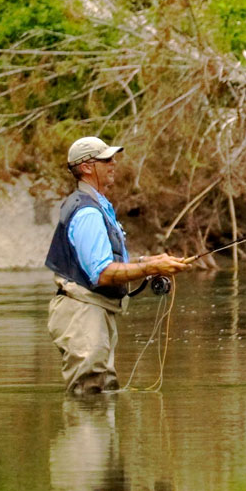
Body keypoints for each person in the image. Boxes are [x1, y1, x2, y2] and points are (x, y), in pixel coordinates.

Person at [45, 136, 193, 395]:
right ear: (87, 167)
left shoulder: (97, 206)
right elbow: (101, 273)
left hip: (92, 310)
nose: (113, 163)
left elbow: (108, 262)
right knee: (89, 390)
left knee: (102, 389)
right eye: (106, 159)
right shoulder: (87, 212)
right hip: (82, 313)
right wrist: (148, 270)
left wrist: (152, 262)